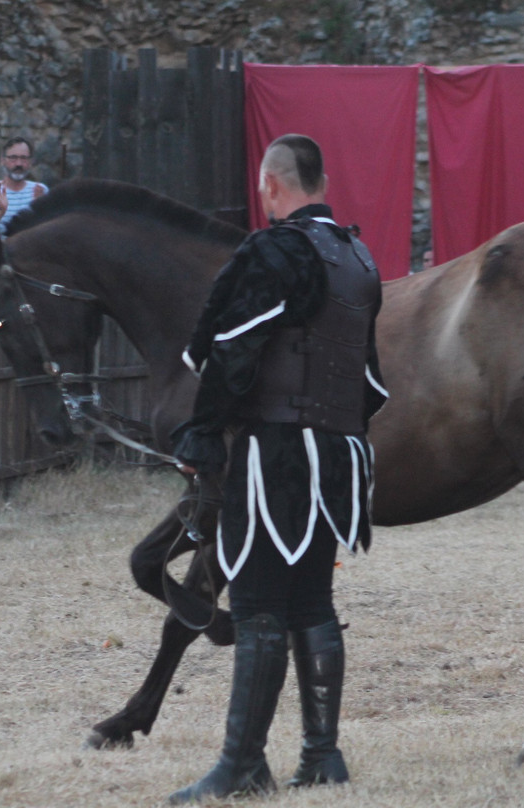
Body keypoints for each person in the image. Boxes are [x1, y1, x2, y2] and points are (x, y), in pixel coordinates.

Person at [167, 134, 389, 804]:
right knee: (312, 603)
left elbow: (233, 345)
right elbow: (371, 380)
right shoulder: (358, 255)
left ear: (270, 184)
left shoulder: (278, 249)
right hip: (337, 453)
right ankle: (322, 756)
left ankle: (242, 767)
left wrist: (203, 431)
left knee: (261, 606)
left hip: (279, 456)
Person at [0, 137, 48, 239]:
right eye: (13, 158)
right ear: (3, 161)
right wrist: (0, 212)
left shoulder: (40, 190)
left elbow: (48, 235)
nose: (18, 164)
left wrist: (38, 208)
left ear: (30, 162)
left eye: (24, 158)